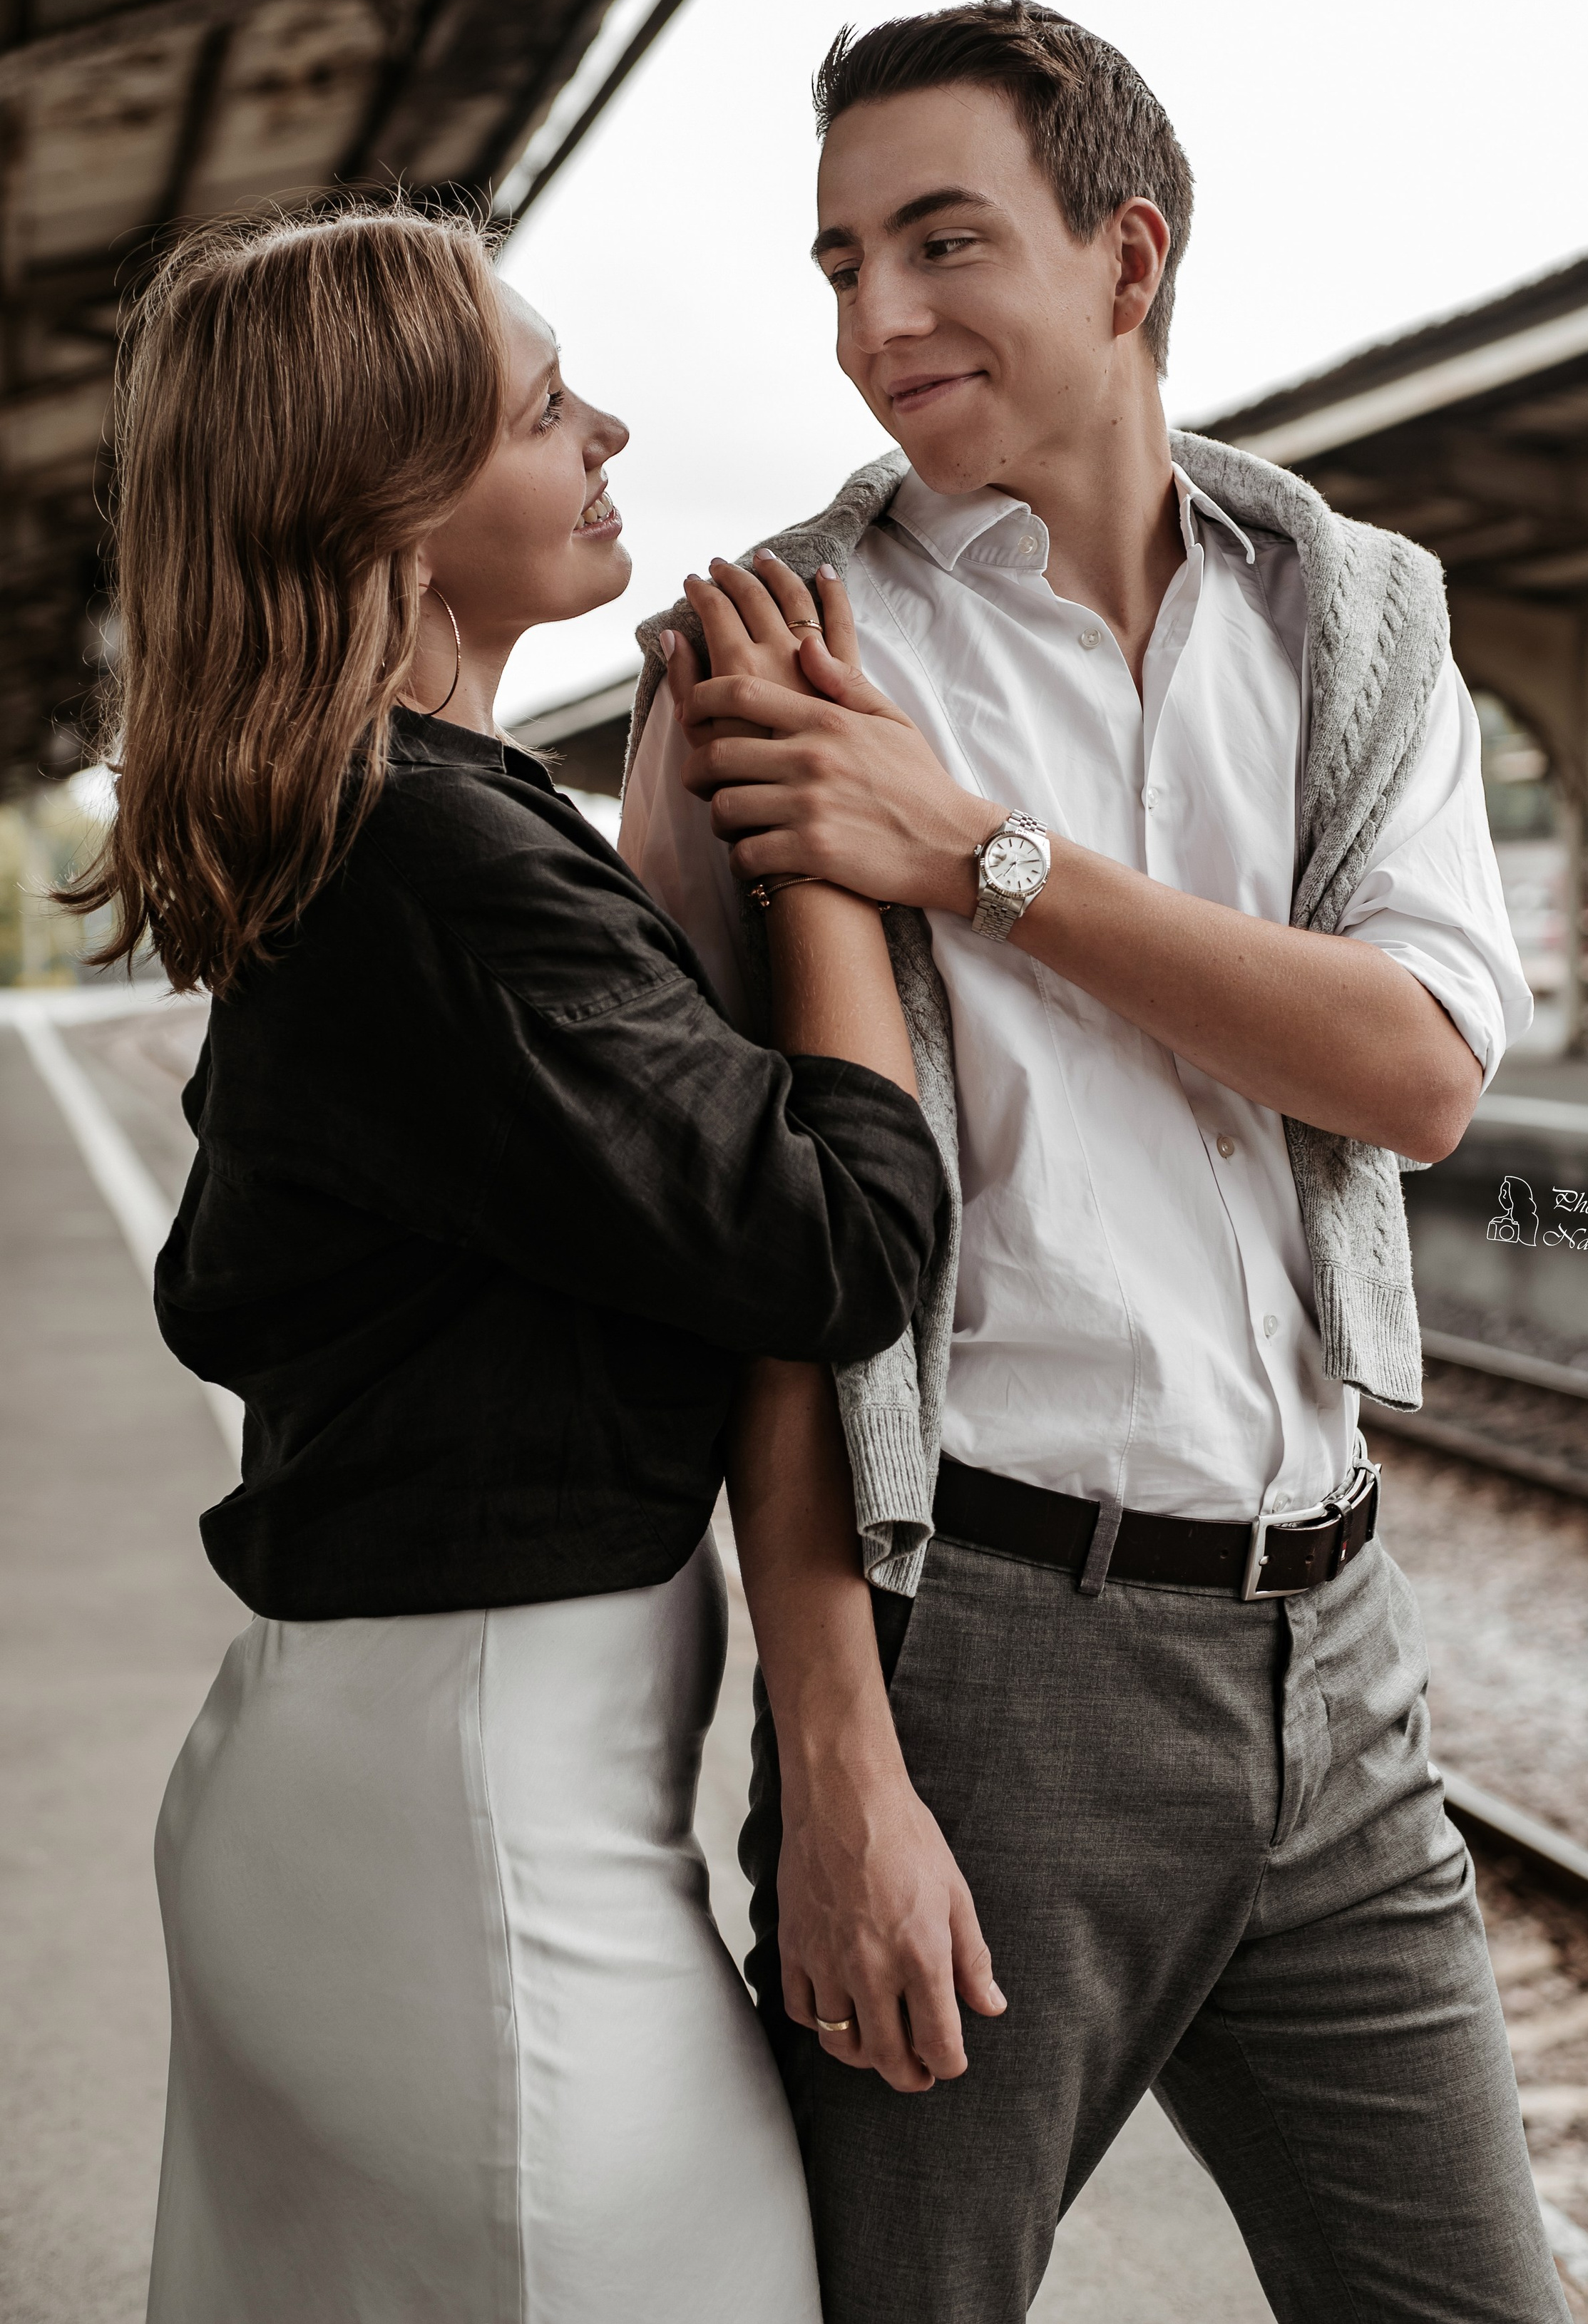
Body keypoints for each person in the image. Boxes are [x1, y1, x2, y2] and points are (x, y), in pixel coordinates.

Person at [620, 0, 1566, 2323]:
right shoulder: (782, 650)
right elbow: (753, 1253)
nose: (874, 318)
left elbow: (1419, 1068)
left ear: (1127, 256)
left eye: (944, 240)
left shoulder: (1353, 616)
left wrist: (983, 858)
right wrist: (835, 1759)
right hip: (986, 1669)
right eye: (840, 258)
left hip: (1333, 1659)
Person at [61, 197, 961, 2323]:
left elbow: (571, 1175)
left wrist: (652, 879)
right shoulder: (436, 857)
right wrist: (831, 834)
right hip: (476, 1838)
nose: (612, 428)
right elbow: (841, 1237)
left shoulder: (397, 827)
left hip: (388, 1789)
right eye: (549, 410)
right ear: (386, 505)